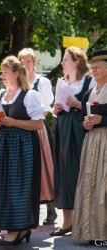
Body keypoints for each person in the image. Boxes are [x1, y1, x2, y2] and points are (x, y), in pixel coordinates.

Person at [0, 56, 44, 246]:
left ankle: (19, 228)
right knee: (5, 186)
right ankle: (16, 228)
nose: (2, 75)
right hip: (6, 144)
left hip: (23, 145)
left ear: (16, 73)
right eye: (2, 72)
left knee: (20, 187)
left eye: (5, 72)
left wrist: (13, 122)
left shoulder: (30, 95)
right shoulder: (0, 94)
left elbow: (38, 124)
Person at [50, 46, 95, 236]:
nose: (62, 63)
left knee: (79, 170)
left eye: (65, 59)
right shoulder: (62, 82)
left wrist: (77, 105)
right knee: (63, 171)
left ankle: (85, 222)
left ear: (76, 62)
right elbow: (54, 108)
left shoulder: (90, 82)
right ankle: (66, 222)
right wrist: (56, 108)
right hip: (63, 127)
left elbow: (96, 106)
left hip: (80, 129)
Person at [18, 48, 57, 225]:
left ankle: (51, 208)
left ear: (34, 64)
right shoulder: (16, 82)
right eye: (22, 62)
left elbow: (46, 107)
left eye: (28, 62)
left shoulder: (42, 82)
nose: (25, 65)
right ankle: (27, 211)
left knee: (44, 168)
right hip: (19, 129)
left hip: (37, 128)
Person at [73, 49, 107, 243]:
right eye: (92, 66)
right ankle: (93, 233)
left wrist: (101, 119)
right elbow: (81, 119)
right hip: (92, 143)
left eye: (97, 66)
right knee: (91, 186)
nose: (93, 69)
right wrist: (85, 125)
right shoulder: (89, 92)